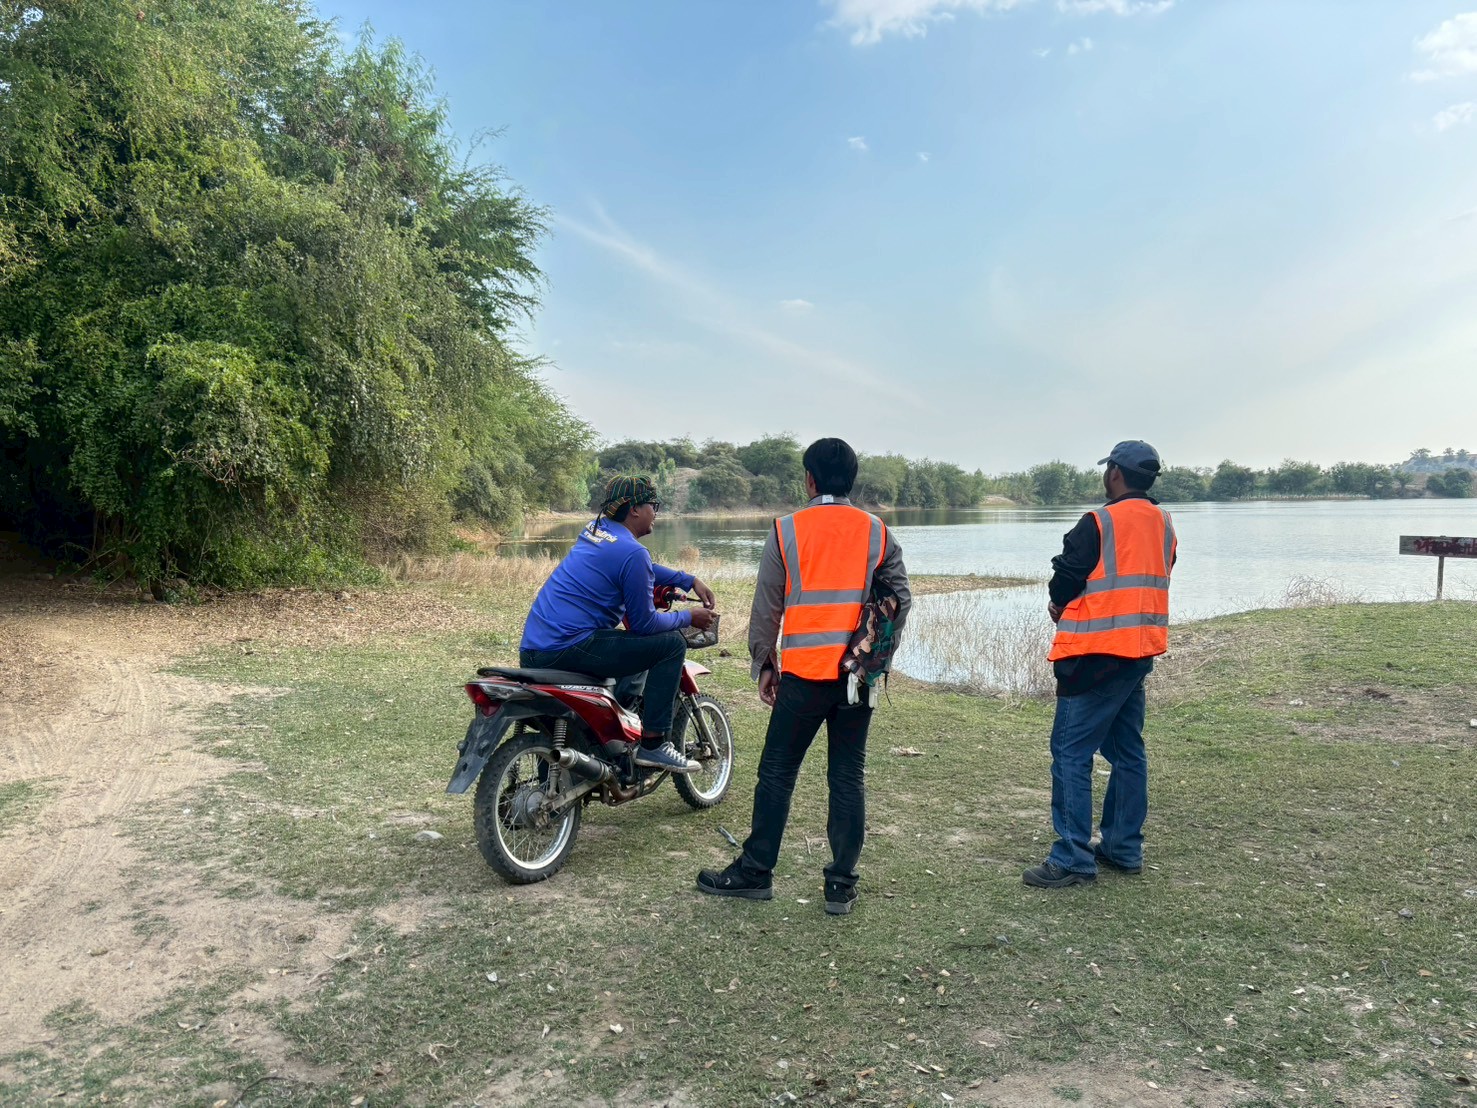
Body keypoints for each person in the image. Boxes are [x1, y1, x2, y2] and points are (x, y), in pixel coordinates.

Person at [697, 438, 911, 915]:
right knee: (847, 777)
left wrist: (764, 663)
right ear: (851, 480)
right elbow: (900, 600)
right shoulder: (878, 532)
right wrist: (874, 661)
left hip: (803, 676)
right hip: (856, 680)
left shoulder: (787, 530)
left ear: (809, 480)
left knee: (777, 772)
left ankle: (756, 872)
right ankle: (840, 884)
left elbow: (766, 608)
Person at [1023, 440, 1178, 889]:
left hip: (1092, 655)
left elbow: (1068, 576)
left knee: (1070, 753)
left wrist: (1057, 603)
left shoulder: (1099, 521)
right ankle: (1123, 848)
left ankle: (1073, 859)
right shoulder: (1165, 523)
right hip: (1138, 651)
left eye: (1108, 468)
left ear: (1115, 473)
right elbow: (1160, 571)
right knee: (1128, 752)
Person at [519, 475, 718, 774]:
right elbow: (644, 624)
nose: (656, 513)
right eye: (654, 505)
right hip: (570, 647)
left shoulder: (595, 530)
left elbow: (636, 565)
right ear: (634, 510)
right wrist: (689, 617)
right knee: (670, 645)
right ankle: (653, 744)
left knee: (621, 644)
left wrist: (685, 579)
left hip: (535, 648)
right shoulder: (633, 552)